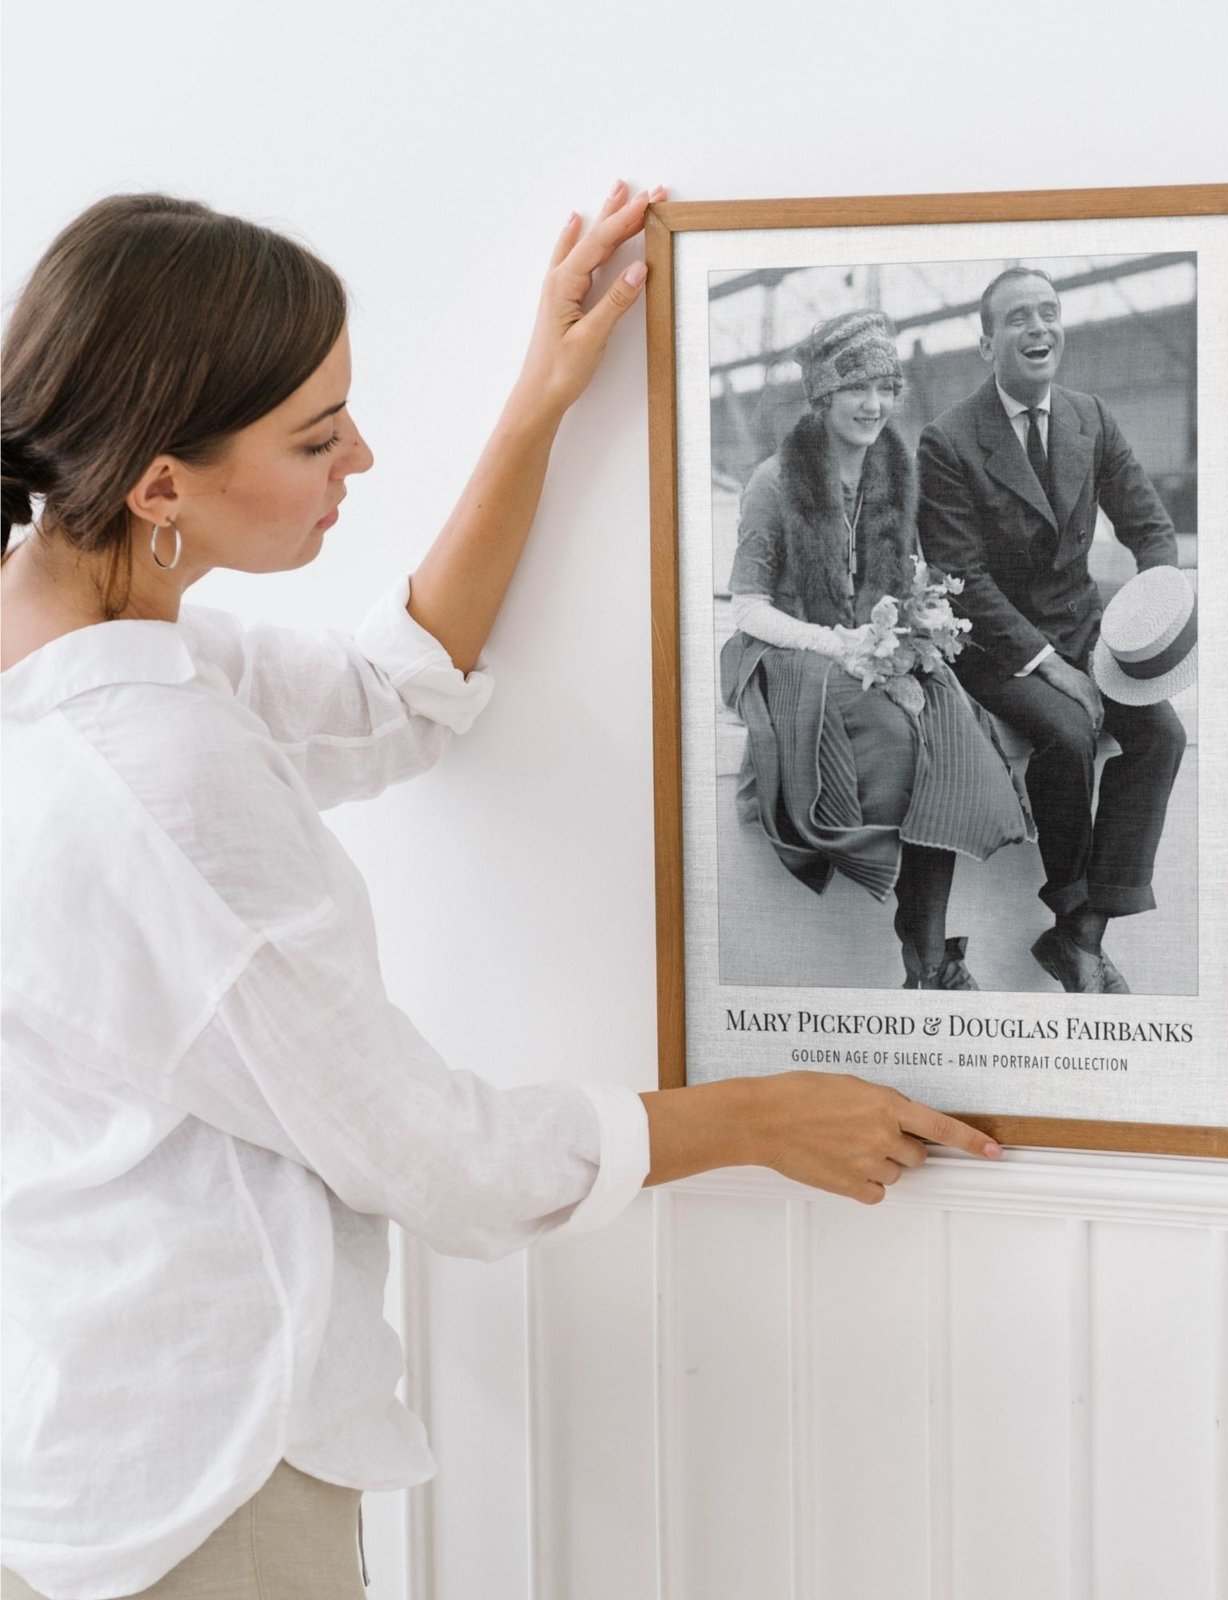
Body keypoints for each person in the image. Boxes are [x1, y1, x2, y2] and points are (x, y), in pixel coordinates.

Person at [0, 190, 1005, 1600]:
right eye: (313, 437)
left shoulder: (72, 643)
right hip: (199, 1496)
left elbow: (382, 695)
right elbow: (435, 1156)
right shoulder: (150, 781)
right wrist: (758, 1116)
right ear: (159, 485)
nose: (362, 453)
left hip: (78, 1442)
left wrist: (543, 402)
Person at [721, 311, 1032, 990]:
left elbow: (896, 575)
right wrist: (837, 643)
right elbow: (747, 608)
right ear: (824, 396)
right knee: (895, 739)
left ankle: (931, 961)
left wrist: (919, 617)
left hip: (871, 639)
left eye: (887, 388)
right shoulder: (775, 483)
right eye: (857, 387)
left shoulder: (897, 473)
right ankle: (927, 959)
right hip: (787, 649)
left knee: (949, 729)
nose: (873, 404)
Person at [916, 267, 1188, 995]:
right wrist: (1050, 666)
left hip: (1087, 632)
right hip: (995, 647)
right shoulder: (947, 442)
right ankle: (1071, 910)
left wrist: (1152, 615)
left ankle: (1081, 935)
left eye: (1049, 313)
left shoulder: (1089, 416)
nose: (1039, 329)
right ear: (985, 345)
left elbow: (1150, 528)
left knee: (1162, 735)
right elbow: (962, 577)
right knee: (1066, 735)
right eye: (1017, 319)